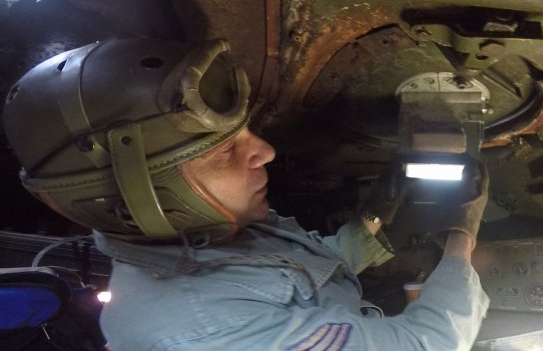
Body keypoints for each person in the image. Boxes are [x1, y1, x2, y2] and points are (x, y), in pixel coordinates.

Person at [3, 38, 491, 350]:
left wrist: (373, 220)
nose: (265, 152)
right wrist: (462, 238)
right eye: (221, 153)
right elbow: (429, 342)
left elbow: (296, 275)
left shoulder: (200, 234)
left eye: (244, 133)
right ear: (137, 196)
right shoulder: (205, 334)